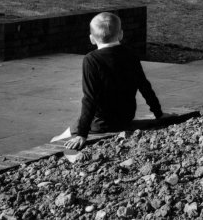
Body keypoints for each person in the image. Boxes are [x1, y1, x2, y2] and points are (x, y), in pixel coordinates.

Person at [53, 12, 166, 150]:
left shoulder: (92, 59)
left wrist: (82, 134)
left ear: (92, 39)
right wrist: (158, 113)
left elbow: (90, 98)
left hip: (101, 123)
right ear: (121, 34)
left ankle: (60, 139)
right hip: (126, 117)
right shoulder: (131, 55)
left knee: (61, 136)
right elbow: (144, 86)